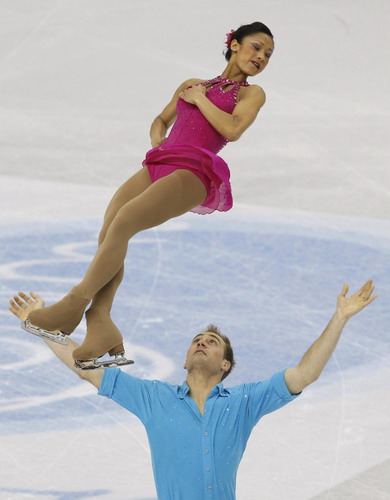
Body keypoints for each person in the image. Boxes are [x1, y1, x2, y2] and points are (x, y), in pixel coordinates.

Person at [21, 21, 275, 368]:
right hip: (161, 162)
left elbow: (232, 129)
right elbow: (162, 118)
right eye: (256, 47)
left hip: (195, 171)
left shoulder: (250, 94)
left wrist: (201, 100)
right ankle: (101, 325)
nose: (261, 57)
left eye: (267, 54)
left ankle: (71, 307)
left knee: (125, 222)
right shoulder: (191, 84)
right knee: (110, 227)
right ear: (234, 44)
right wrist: (158, 135)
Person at [9, 281, 376, 499]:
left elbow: (305, 373)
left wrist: (339, 318)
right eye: (196, 340)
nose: (201, 342)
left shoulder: (245, 401)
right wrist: (37, 325)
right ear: (185, 361)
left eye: (212, 342)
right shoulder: (154, 398)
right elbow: (85, 367)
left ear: (225, 365)